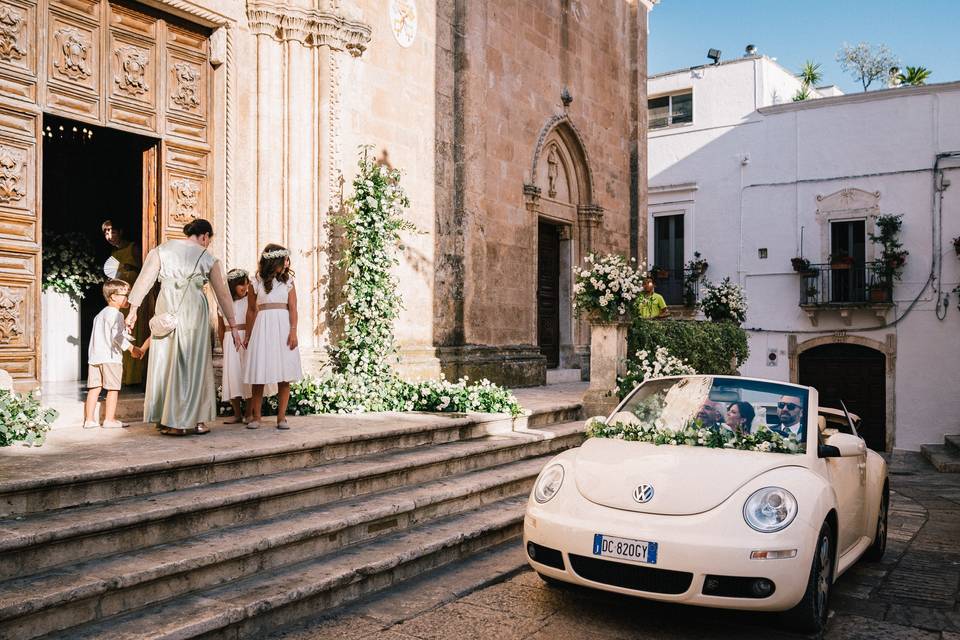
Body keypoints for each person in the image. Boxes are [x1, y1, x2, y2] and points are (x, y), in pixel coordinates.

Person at [126, 219, 243, 436]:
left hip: (168, 304)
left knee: (167, 359)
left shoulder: (161, 250)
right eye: (208, 239)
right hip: (193, 309)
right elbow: (223, 294)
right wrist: (233, 326)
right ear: (205, 236)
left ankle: (169, 420)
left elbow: (145, 280)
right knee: (193, 362)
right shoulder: (208, 257)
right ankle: (195, 420)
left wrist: (133, 311)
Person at [243, 244, 303, 430]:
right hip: (262, 327)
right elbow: (251, 311)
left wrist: (293, 331)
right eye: (284, 259)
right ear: (273, 261)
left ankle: (281, 417)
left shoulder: (288, 282)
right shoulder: (256, 282)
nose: (287, 264)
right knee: (259, 373)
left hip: (283, 327)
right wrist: (248, 335)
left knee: (284, 373)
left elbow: (293, 308)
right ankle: (256, 417)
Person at [218, 269, 276, 424]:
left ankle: (249, 413)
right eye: (240, 285)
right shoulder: (223, 303)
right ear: (232, 285)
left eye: (246, 284)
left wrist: (252, 338)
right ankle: (237, 413)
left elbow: (254, 316)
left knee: (248, 375)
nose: (245, 288)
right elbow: (221, 328)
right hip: (231, 342)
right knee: (233, 376)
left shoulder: (250, 300)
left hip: (247, 339)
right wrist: (224, 346)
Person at [83, 279, 136, 429]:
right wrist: (132, 348)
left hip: (95, 358)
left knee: (94, 388)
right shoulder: (117, 315)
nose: (128, 298)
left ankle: (89, 420)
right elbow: (117, 337)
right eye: (126, 294)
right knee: (113, 388)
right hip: (111, 358)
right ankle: (109, 420)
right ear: (113, 296)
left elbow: (108, 334)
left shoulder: (100, 315)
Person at [102, 220, 147, 385]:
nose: (108, 236)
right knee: (120, 329)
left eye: (111, 231)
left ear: (120, 231)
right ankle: (124, 374)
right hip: (120, 296)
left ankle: (136, 374)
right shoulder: (114, 254)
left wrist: (130, 268)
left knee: (136, 328)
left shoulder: (132, 247)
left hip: (134, 292)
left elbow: (145, 269)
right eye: (105, 232)